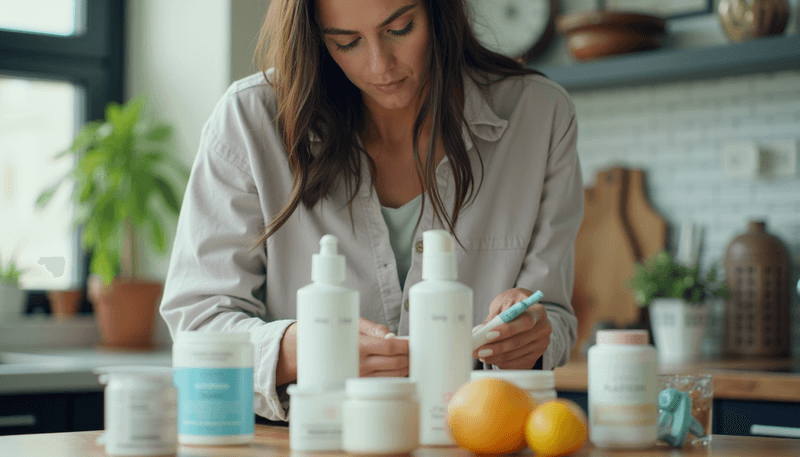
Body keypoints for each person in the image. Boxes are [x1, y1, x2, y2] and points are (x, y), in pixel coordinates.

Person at [160, 0, 583, 422]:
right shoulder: (249, 121)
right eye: (347, 43)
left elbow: (555, 317)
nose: (380, 66)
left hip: (475, 438)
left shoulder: (540, 115)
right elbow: (197, 326)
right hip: (310, 443)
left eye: (400, 29)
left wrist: (531, 336)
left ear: (439, 12)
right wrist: (303, 349)